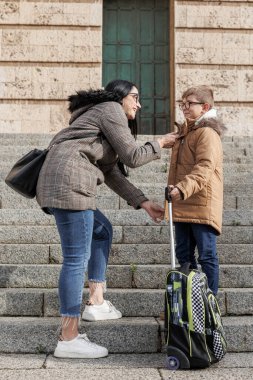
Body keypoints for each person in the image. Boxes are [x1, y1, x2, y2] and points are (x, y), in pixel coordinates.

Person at [36, 79, 178, 359]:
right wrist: (161, 142)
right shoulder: (110, 108)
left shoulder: (96, 119)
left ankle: (97, 301)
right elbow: (134, 156)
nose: (138, 104)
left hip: (60, 181)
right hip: (70, 183)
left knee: (101, 230)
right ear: (120, 96)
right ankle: (68, 338)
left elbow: (112, 171)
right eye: (135, 97)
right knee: (76, 258)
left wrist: (143, 202)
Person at [167, 85, 226, 295]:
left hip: (201, 203)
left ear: (205, 107)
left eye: (189, 103)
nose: (184, 107)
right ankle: (189, 303)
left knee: (206, 255)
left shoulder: (207, 133)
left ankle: (210, 304)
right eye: (182, 103)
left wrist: (182, 188)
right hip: (183, 203)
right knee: (183, 255)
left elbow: (205, 167)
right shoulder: (187, 132)